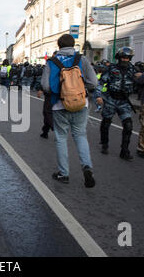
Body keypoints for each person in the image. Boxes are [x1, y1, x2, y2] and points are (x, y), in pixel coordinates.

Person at [39, 34, 97, 187]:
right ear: (73, 44)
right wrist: (82, 90)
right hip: (80, 104)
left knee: (61, 138)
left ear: (59, 45)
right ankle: (87, 166)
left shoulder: (51, 62)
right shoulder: (82, 60)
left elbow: (45, 86)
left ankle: (63, 174)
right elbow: (94, 82)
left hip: (60, 105)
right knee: (80, 136)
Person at [94, 47, 137, 160]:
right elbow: (100, 83)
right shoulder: (111, 69)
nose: (125, 60)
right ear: (118, 58)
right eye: (123, 57)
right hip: (111, 99)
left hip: (124, 101)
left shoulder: (133, 70)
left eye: (127, 58)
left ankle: (124, 150)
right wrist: (98, 96)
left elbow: (140, 82)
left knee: (128, 125)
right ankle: (104, 143)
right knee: (106, 122)